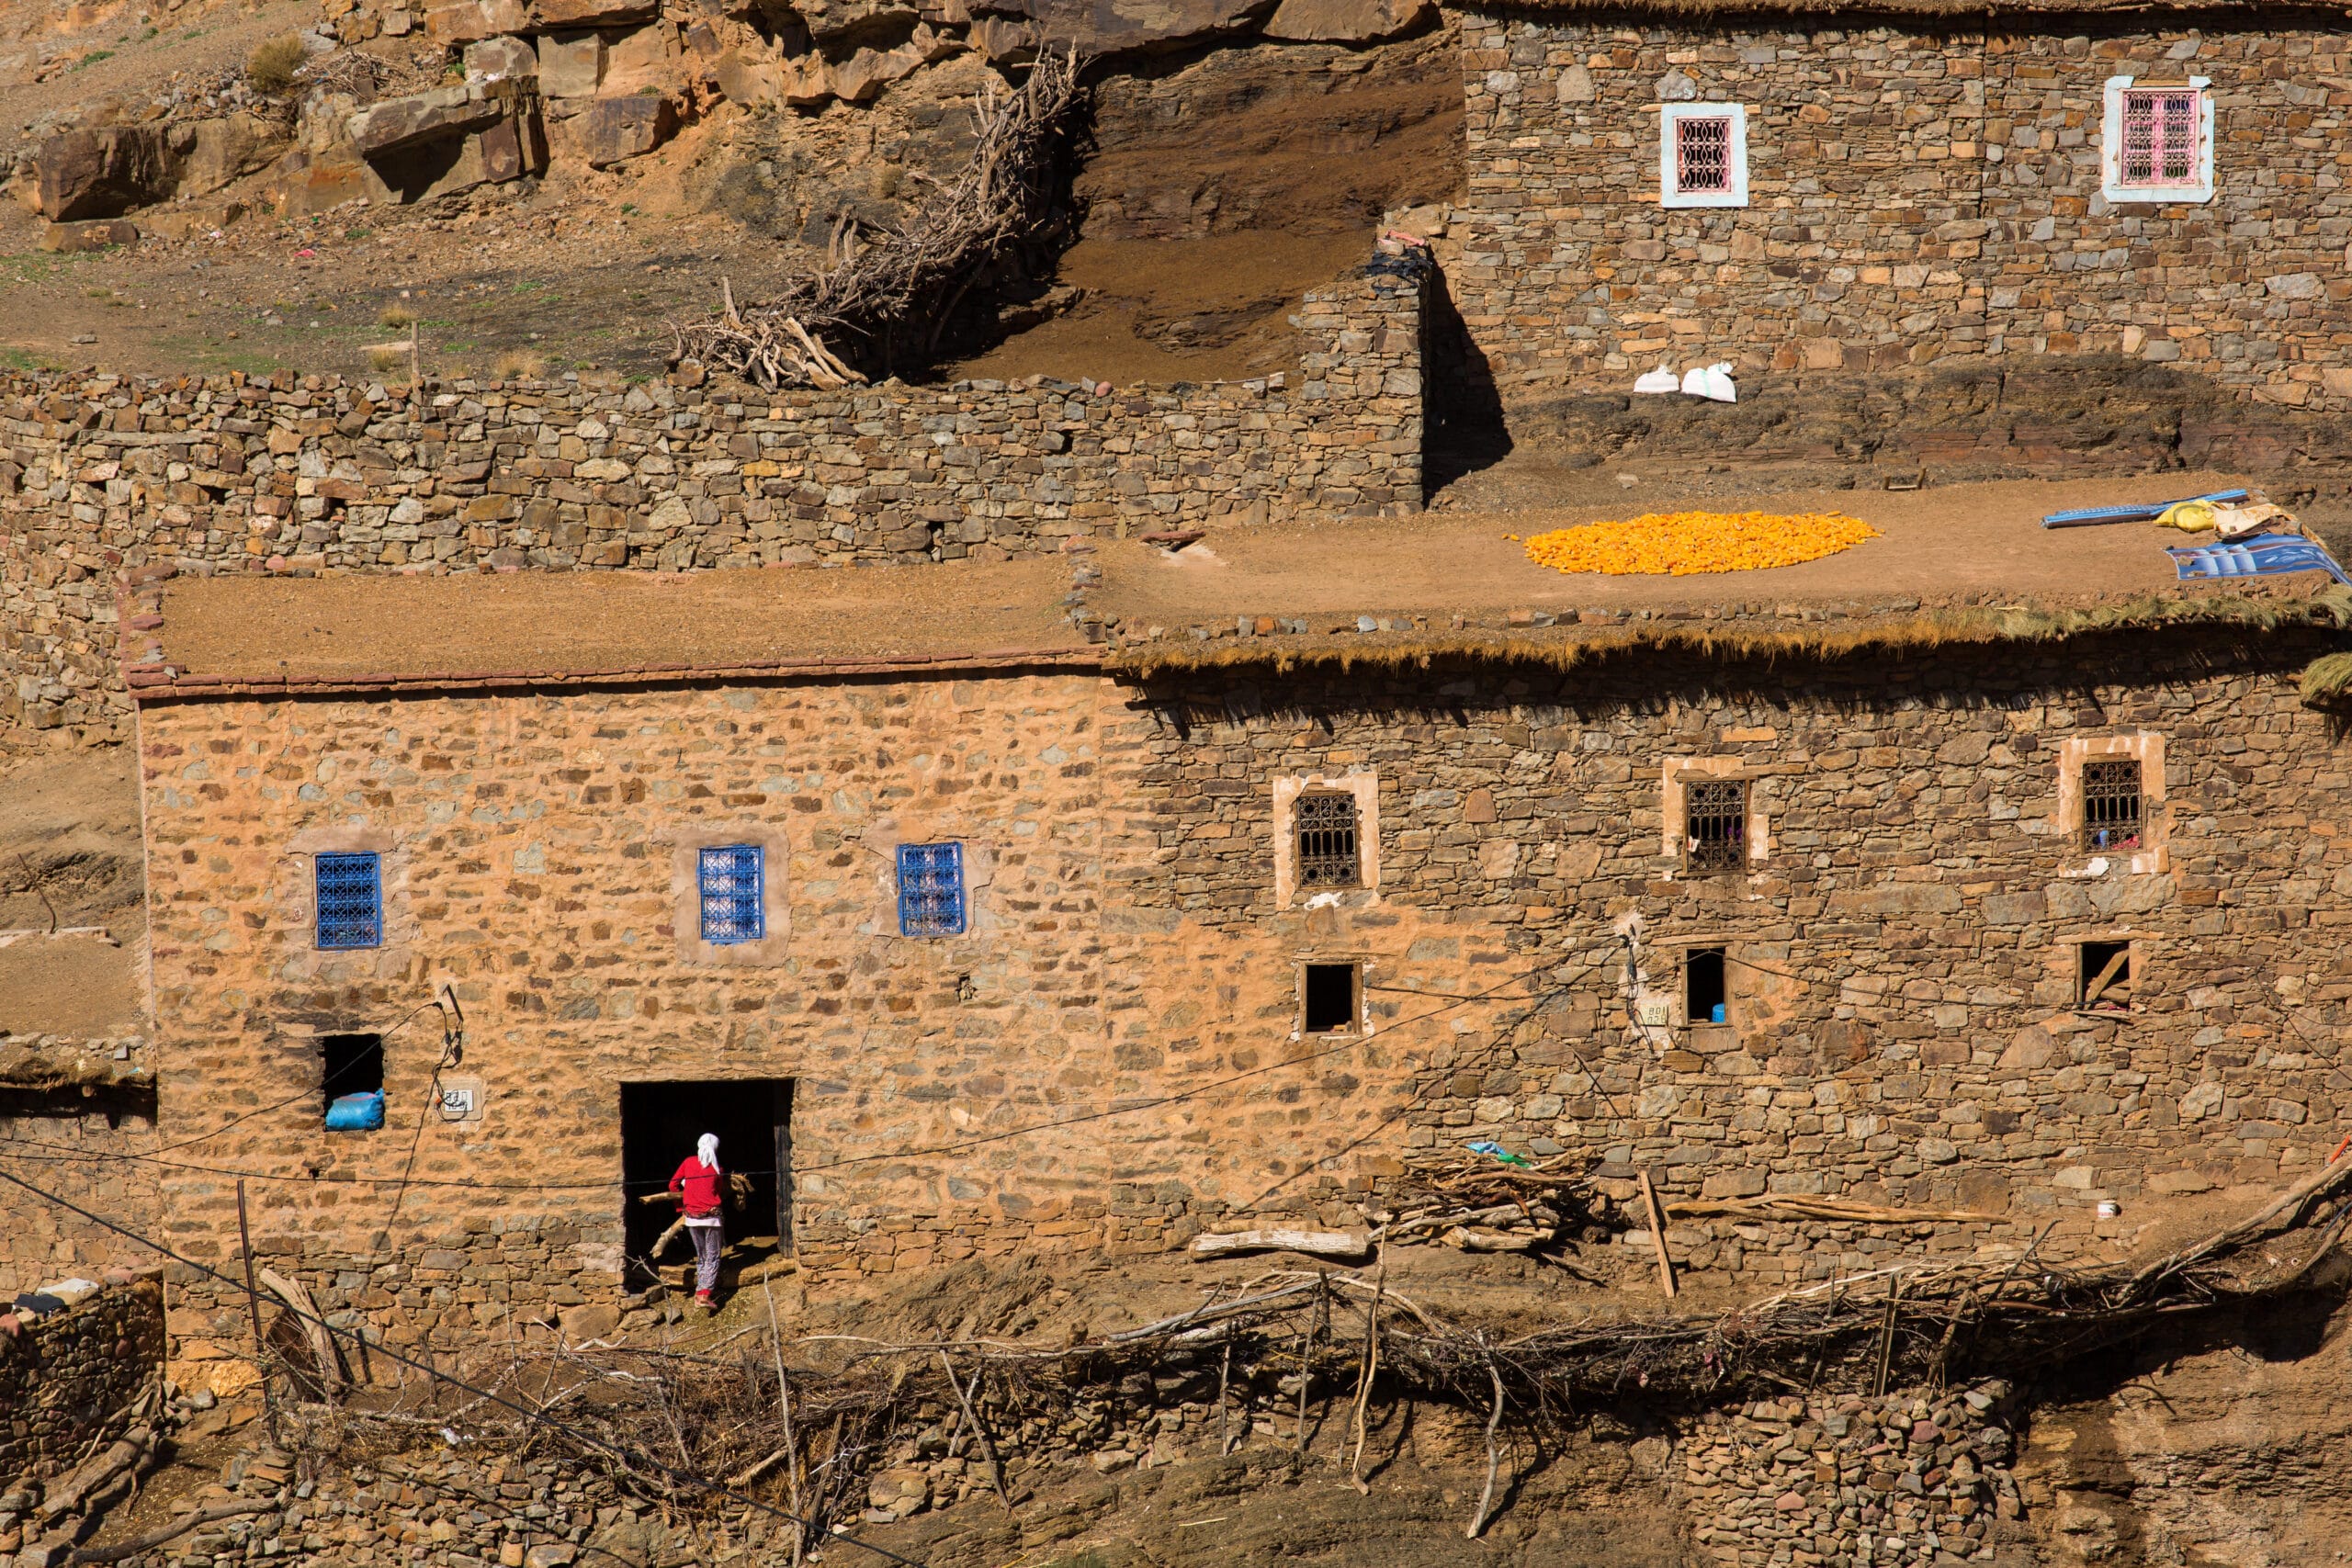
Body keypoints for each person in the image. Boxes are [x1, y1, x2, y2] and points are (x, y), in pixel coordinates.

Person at [668, 1133, 725, 1309]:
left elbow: (672, 1185)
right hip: (712, 1218)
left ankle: (699, 1292)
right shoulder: (718, 1169)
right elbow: (718, 1190)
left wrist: (681, 1207)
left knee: (702, 1256)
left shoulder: (688, 1162)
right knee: (713, 1256)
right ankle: (705, 1295)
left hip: (692, 1217)